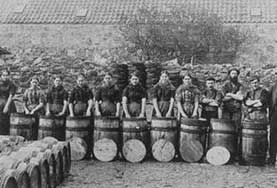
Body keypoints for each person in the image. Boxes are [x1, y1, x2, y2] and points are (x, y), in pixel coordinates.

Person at [267, 79, 277, 165]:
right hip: (275, 114)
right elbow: (268, 99)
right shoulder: (273, 87)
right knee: (273, 136)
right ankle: (272, 158)